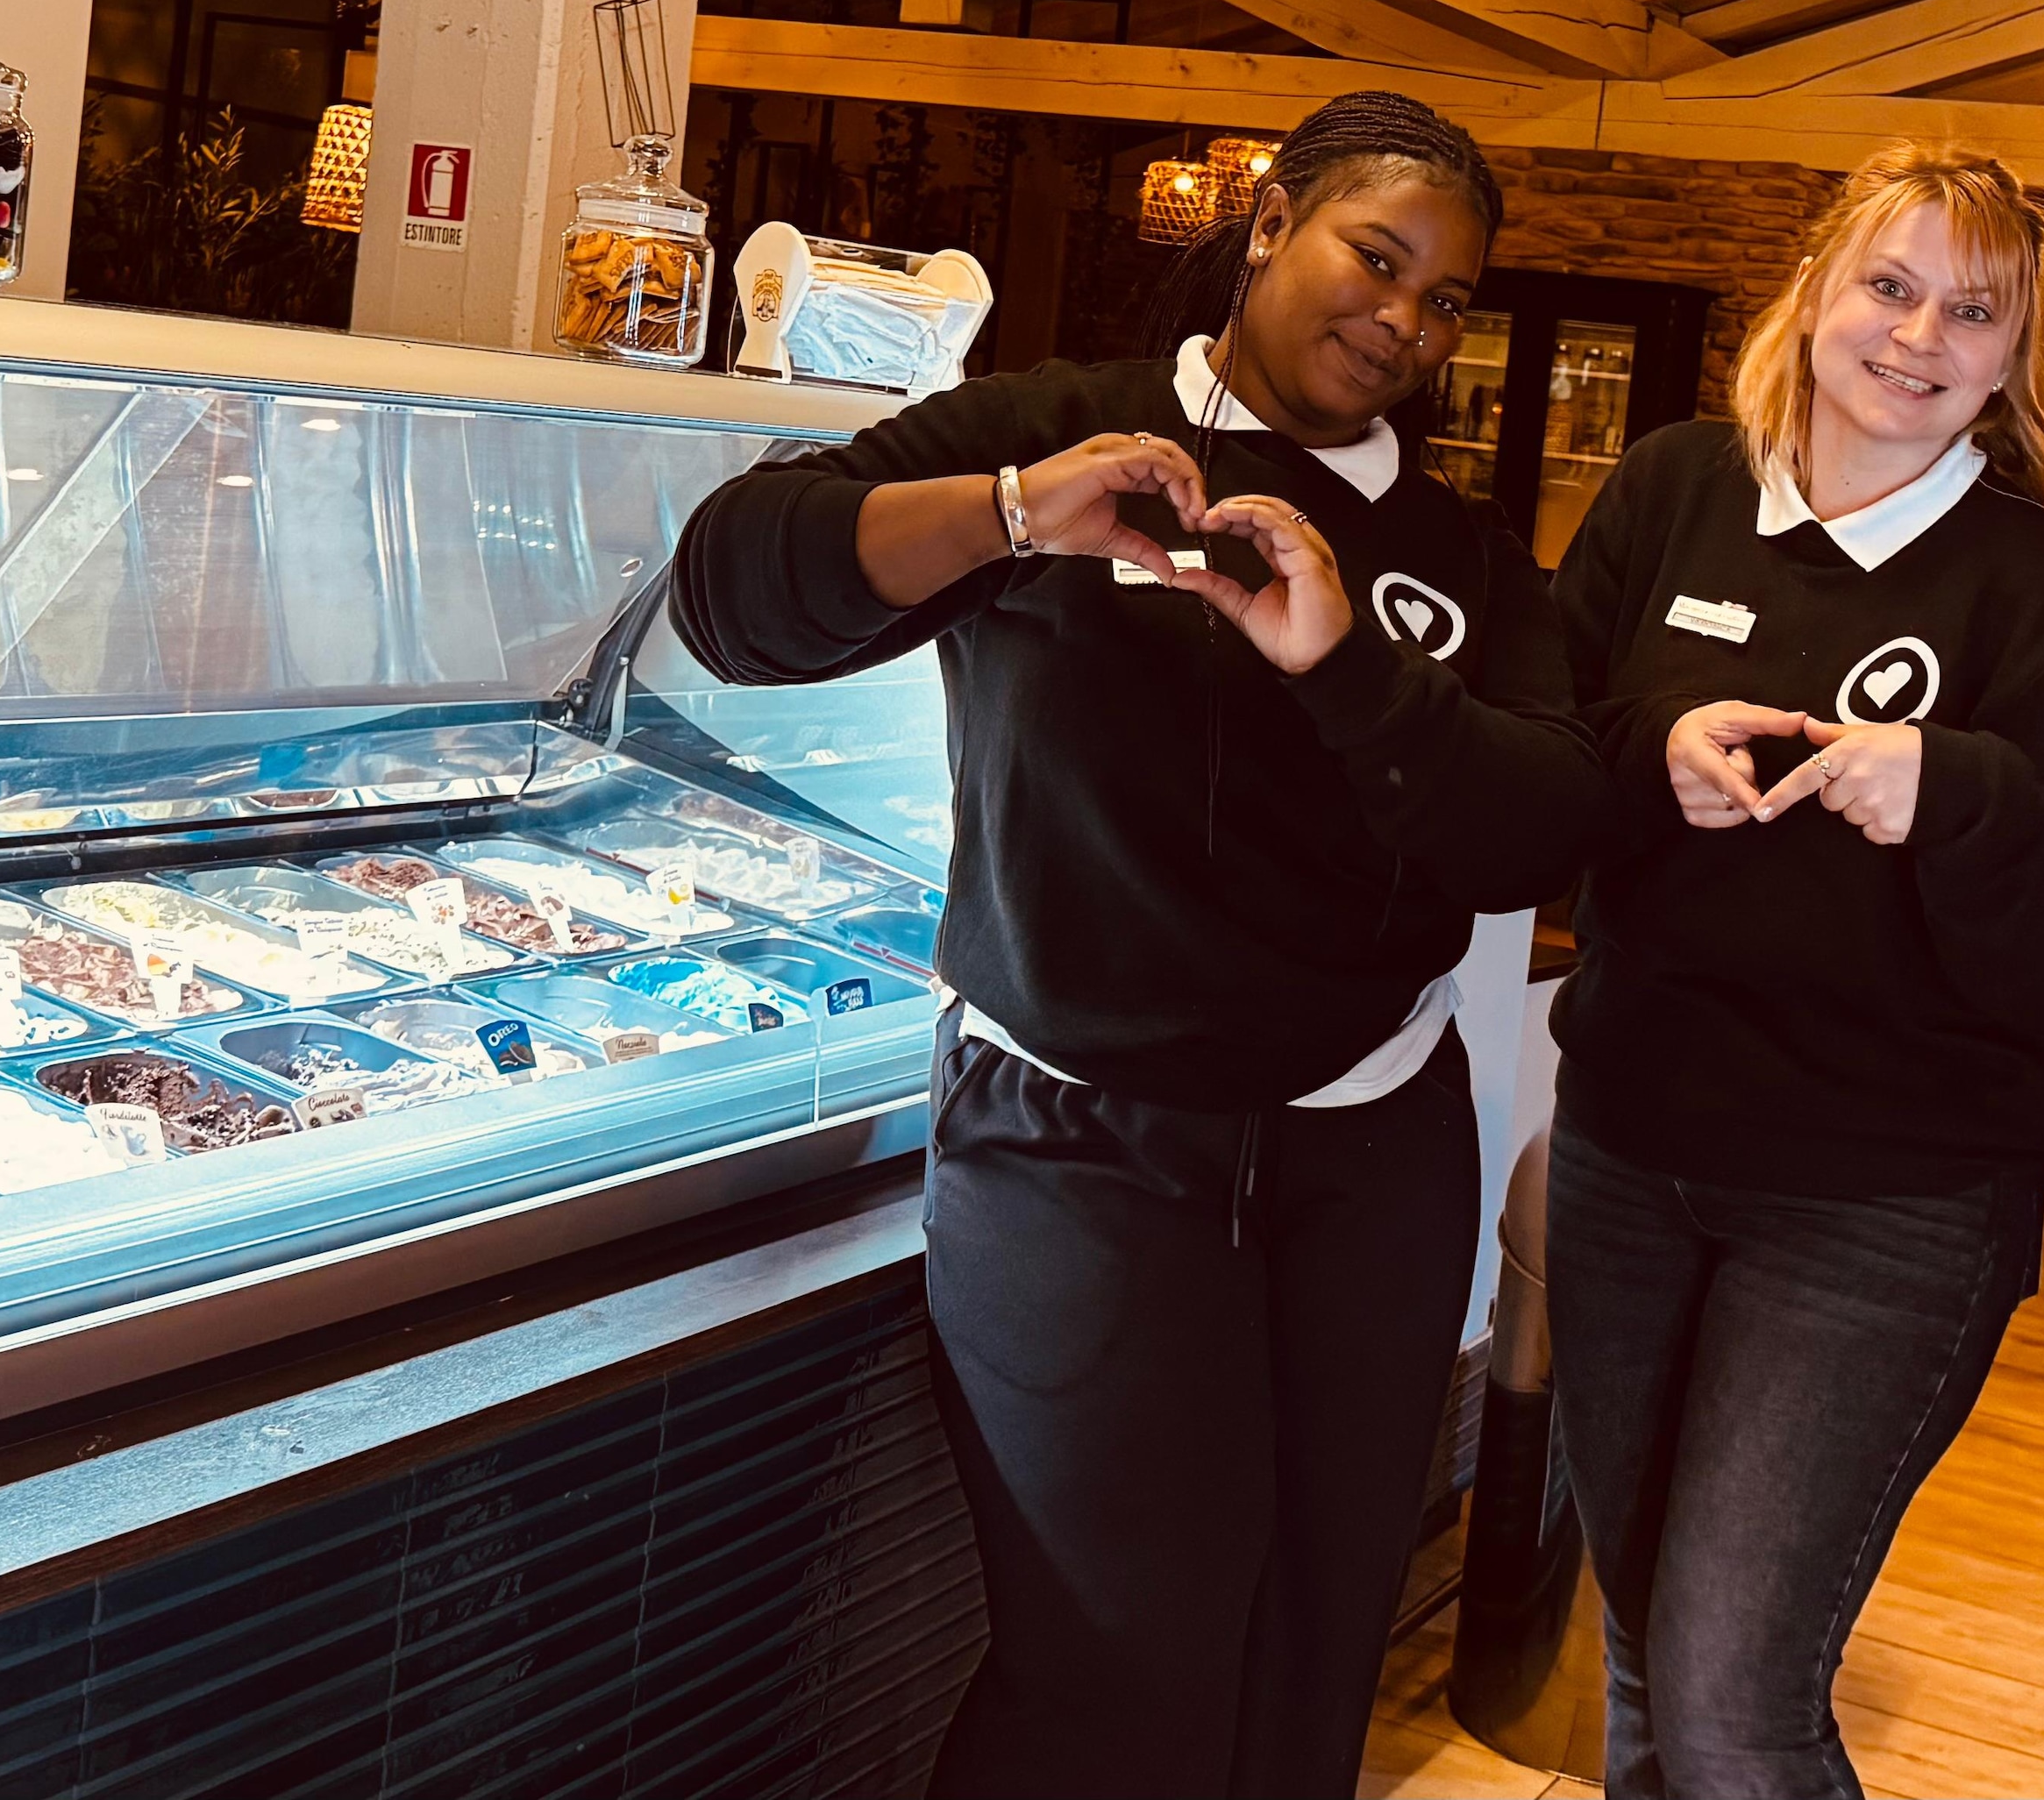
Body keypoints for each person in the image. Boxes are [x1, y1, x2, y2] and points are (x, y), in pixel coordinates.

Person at [667, 91, 1610, 1800]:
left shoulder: (1455, 553)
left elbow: (1537, 828)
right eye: (1374, 257)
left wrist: (1346, 667)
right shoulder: (1060, 430)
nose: (1402, 318)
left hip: (1368, 1168)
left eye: (1446, 299)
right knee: (1115, 1677)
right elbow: (732, 593)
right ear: (1272, 223)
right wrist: (1011, 511)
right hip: (1074, 1150)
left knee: (1308, 1663)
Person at [1542, 145, 2044, 1800]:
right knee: (1646, 1649)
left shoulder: (2034, 588)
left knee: (1735, 1701)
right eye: (1889, 285)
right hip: (1630, 1155)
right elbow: (1538, 756)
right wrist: (1649, 748)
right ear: (1814, 295)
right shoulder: (1671, 488)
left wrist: (1957, 792)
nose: (1920, 336)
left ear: (2012, 358)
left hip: (1886, 1208)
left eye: (1973, 311)